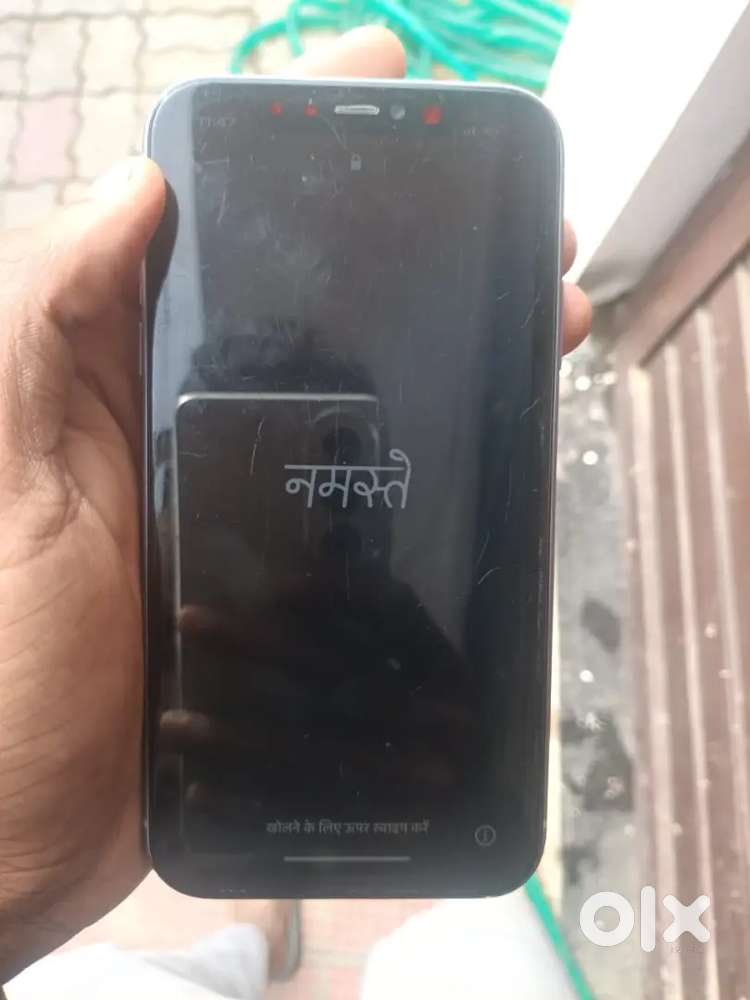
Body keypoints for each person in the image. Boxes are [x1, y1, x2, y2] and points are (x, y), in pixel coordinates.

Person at [0, 25, 592, 999]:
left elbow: (446, 736)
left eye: (336, 449)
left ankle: (249, 942)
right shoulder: (389, 618)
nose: (321, 487)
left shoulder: (401, 628)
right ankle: (259, 941)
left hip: (217, 823)